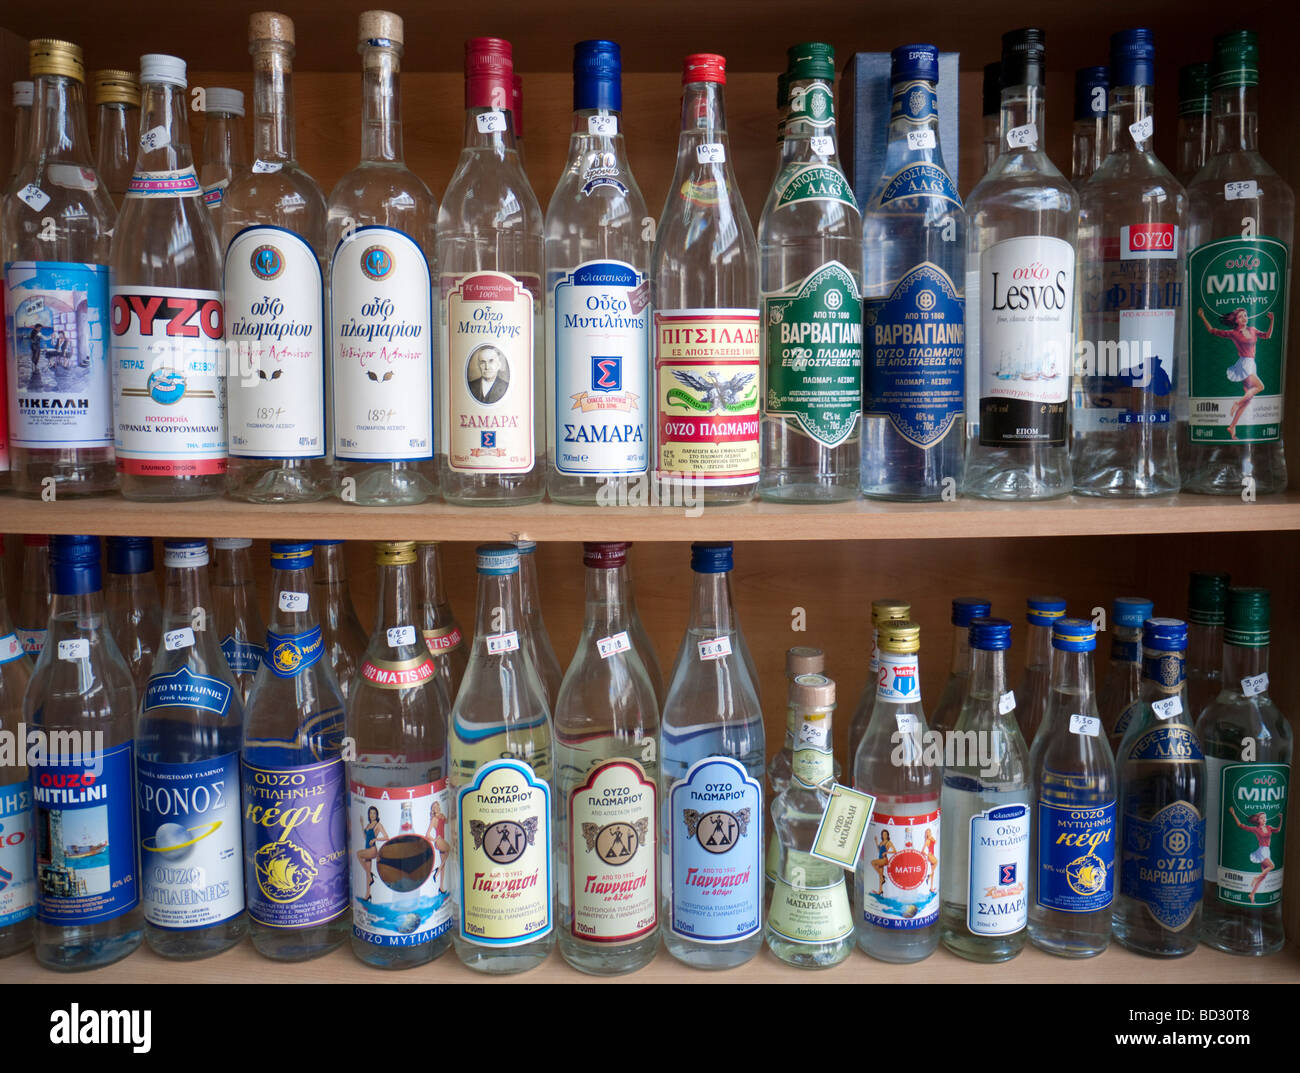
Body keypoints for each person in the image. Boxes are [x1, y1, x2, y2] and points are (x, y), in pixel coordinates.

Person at [1197, 307, 1273, 440]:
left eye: (1245, 315)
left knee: (1248, 401)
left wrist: (1272, 320)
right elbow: (1212, 331)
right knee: (1260, 387)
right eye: (1240, 316)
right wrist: (1202, 316)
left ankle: (1232, 426)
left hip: (1252, 364)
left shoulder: (1253, 330)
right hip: (1244, 364)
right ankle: (1237, 403)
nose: (1244, 318)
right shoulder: (1234, 333)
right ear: (1236, 320)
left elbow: (1267, 336)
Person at [1228, 806, 1282, 903]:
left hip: (1267, 851)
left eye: (1265, 817)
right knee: (1272, 866)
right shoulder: (1256, 829)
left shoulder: (1269, 827)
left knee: (1264, 876)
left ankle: (1252, 894)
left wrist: (1281, 819)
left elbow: (1278, 830)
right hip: (1262, 851)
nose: (1264, 819)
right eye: (1262, 818)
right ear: (1257, 820)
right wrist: (1233, 814)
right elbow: (1240, 825)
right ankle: (1256, 877)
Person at [357, 805, 388, 901]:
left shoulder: (377, 824)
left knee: (358, 854)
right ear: (369, 814)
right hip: (367, 849)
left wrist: (376, 838)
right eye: (371, 813)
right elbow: (366, 838)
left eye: (374, 813)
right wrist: (362, 825)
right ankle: (367, 895)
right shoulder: (368, 825)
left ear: (377, 814)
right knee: (367, 875)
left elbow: (386, 837)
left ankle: (370, 875)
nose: (372, 815)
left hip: (372, 850)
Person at [425, 799, 450, 894]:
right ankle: (438, 870)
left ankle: (441, 887)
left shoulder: (441, 816)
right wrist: (435, 839)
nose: (437, 808)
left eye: (437, 806)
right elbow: (427, 834)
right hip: (439, 841)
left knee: (444, 865)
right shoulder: (434, 819)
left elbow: (447, 822)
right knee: (450, 849)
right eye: (434, 807)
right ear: (433, 810)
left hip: (442, 840)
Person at [871, 829, 897, 895]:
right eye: (883, 834)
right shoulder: (881, 842)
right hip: (880, 858)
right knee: (880, 877)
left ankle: (883, 877)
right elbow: (879, 851)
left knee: (873, 862)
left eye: (885, 834)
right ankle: (880, 891)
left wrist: (886, 852)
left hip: (884, 859)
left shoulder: (888, 842)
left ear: (887, 835)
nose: (884, 835)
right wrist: (876, 842)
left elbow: (894, 851)